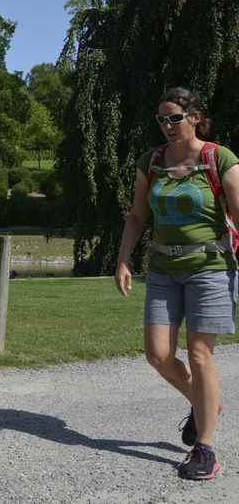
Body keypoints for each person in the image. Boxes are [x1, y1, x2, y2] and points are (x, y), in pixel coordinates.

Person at [115, 86, 239, 481]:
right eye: (161, 119)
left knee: (200, 354)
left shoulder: (219, 159)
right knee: (157, 354)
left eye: (174, 118)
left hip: (211, 267)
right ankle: (206, 403)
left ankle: (205, 448)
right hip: (163, 270)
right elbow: (137, 216)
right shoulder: (151, 161)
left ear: (194, 118)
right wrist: (123, 259)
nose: (167, 126)